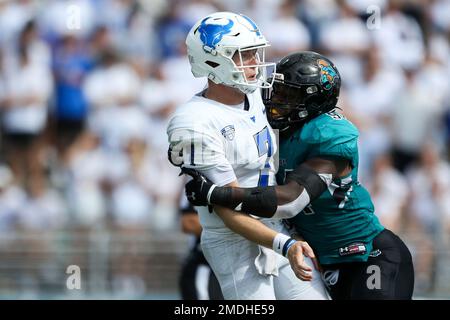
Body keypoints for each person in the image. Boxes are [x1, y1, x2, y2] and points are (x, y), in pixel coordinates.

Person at [183, 51, 415, 300]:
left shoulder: (330, 133)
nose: (277, 99)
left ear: (314, 102)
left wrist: (216, 193)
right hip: (321, 264)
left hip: (368, 255)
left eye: (288, 94)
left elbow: (291, 200)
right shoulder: (272, 130)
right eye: (278, 90)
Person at [167, 12, 328, 300]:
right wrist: (284, 245)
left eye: (255, 52)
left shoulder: (258, 95)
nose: (256, 62)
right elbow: (229, 207)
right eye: (244, 55)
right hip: (233, 238)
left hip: (275, 224)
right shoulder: (192, 122)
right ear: (213, 61)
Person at [178, 195, 223, 300]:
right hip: (206, 265)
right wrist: (230, 228)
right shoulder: (203, 181)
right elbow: (188, 222)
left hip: (238, 264)